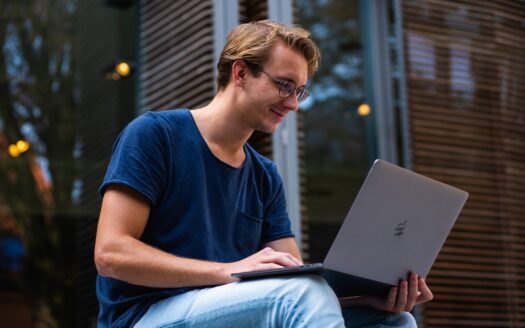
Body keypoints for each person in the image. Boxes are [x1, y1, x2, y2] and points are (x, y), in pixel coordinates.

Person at [94, 20, 433, 327]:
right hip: (144, 316)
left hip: (227, 310)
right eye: (285, 85)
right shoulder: (156, 135)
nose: (293, 104)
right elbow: (111, 254)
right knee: (300, 294)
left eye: (299, 91)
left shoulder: (264, 175)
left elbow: (298, 280)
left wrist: (367, 298)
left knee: (393, 321)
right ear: (240, 73)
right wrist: (226, 272)